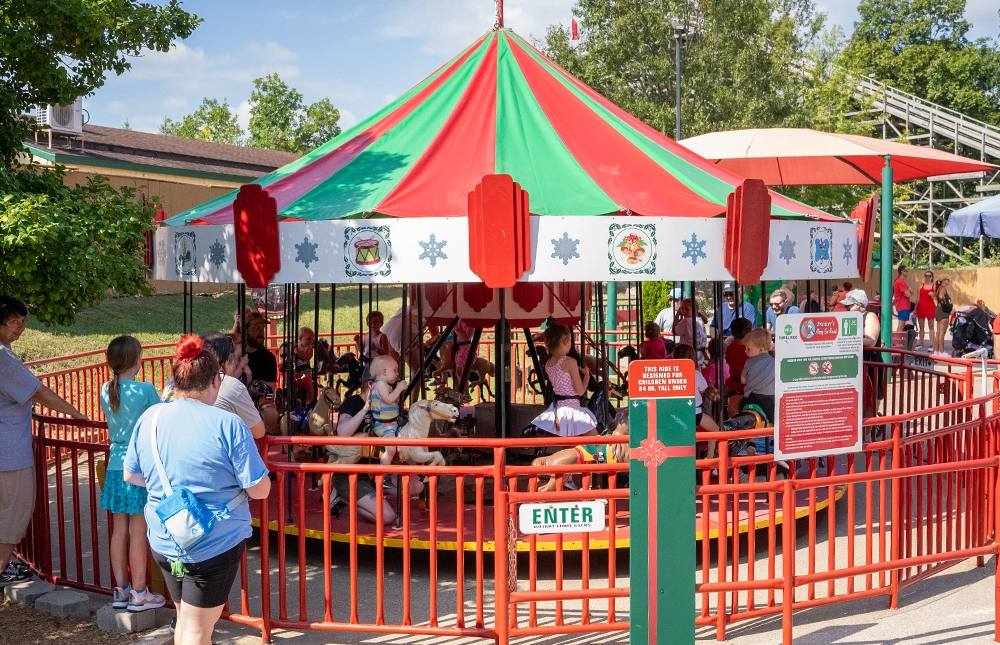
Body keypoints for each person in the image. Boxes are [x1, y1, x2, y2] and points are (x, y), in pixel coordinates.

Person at [123, 336, 270, 645]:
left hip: (166, 537)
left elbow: (133, 475)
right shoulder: (228, 424)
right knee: (197, 631)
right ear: (216, 380)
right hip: (214, 541)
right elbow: (259, 490)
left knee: (186, 622)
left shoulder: (150, 418)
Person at [0, 296, 88, 586]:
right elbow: (36, 392)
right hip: (9, 452)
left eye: (23, 322)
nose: (21, 328)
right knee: (13, 513)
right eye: (14, 322)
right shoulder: (2, 357)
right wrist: (75, 414)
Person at [99, 336, 165, 611]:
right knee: (139, 532)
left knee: (118, 532)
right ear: (137, 360)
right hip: (138, 468)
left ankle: (121, 590)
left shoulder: (106, 389)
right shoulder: (146, 390)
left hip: (115, 467)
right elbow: (160, 420)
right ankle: (140, 592)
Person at [329, 380, 422, 523]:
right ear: (371, 385)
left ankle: (372, 492)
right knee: (387, 517)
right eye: (387, 387)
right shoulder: (353, 403)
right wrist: (366, 408)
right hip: (353, 474)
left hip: (377, 470)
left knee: (417, 486)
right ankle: (344, 497)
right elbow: (342, 432)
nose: (390, 392)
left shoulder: (387, 406)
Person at [530, 324, 598, 437]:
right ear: (566, 340)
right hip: (572, 410)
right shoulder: (570, 362)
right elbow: (580, 391)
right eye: (571, 340)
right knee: (596, 441)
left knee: (567, 447)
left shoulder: (548, 364)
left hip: (558, 410)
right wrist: (587, 376)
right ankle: (600, 455)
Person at [201, 335, 266, 439]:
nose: (235, 365)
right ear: (225, 364)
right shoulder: (231, 385)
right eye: (233, 362)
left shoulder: (175, 384)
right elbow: (259, 432)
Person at [840, 289, 884, 418]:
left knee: (871, 400)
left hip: (870, 364)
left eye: (849, 305)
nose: (846, 308)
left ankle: (868, 435)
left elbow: (870, 340)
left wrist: (847, 340)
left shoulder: (869, 316)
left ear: (858, 305)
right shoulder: (848, 319)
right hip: (854, 365)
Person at [673, 344, 720, 458]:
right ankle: (709, 459)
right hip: (694, 412)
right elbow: (704, 389)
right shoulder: (696, 374)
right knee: (715, 431)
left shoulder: (672, 374)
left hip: (676, 412)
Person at [369, 354, 407, 476]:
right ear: (384, 371)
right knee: (391, 449)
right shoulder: (380, 384)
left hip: (392, 422)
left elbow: (392, 402)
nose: (397, 373)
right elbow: (389, 399)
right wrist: (399, 389)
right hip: (385, 425)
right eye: (394, 370)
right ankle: (384, 475)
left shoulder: (385, 385)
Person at [739, 329, 775, 425]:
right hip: (770, 400)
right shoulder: (774, 362)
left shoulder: (749, 362)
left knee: (741, 407)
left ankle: (749, 438)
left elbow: (743, 380)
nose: (745, 351)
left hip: (752, 398)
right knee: (773, 421)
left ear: (761, 350)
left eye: (748, 349)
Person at [725, 318, 752, 399]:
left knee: (719, 400)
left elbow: (727, 363)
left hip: (733, 383)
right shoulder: (752, 350)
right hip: (749, 384)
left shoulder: (730, 349)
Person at [914, 271, 936, 350]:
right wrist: (915, 309)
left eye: (929, 276)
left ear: (932, 277)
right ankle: (921, 343)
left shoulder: (934, 286)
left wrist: (933, 295)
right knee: (921, 326)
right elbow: (918, 298)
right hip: (921, 306)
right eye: (926, 276)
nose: (927, 278)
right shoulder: (920, 286)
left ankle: (931, 345)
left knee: (931, 326)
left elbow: (937, 297)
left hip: (930, 306)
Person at [934, 278, 953, 356]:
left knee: (938, 332)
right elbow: (941, 296)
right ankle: (942, 352)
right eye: (947, 279)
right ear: (943, 281)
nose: (949, 280)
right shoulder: (942, 288)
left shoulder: (938, 288)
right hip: (943, 311)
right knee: (942, 333)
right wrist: (944, 302)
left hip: (938, 309)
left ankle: (937, 351)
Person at [893, 265, 912, 332]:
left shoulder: (901, 282)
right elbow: (908, 295)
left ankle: (898, 341)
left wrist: (909, 291)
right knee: (901, 324)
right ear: (902, 272)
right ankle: (897, 341)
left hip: (904, 305)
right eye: (906, 271)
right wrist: (909, 290)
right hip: (902, 305)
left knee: (902, 324)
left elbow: (909, 293)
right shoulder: (900, 282)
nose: (907, 272)